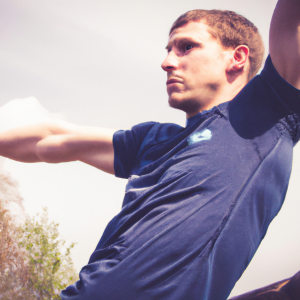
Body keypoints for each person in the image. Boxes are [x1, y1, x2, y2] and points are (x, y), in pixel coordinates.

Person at [0, 1, 299, 299]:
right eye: (168, 50)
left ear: (237, 57)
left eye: (186, 47)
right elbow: (52, 139)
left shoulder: (267, 113)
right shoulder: (151, 140)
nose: (167, 62)